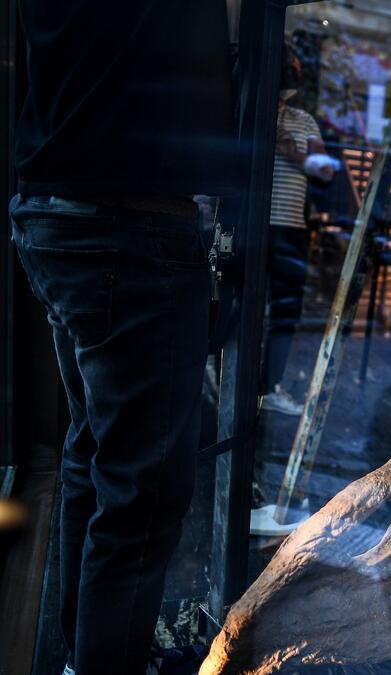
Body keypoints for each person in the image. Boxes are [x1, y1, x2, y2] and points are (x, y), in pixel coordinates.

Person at [9, 2, 238, 674]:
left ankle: (84, 654)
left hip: (58, 213)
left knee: (95, 452)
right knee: (140, 491)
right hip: (124, 228)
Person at [260, 50, 334, 417]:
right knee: (242, 304)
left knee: (285, 309)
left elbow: (324, 171)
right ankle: (231, 379)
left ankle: (268, 386)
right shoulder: (250, 109)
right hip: (252, 225)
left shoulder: (302, 120)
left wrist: (291, 151)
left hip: (289, 226)